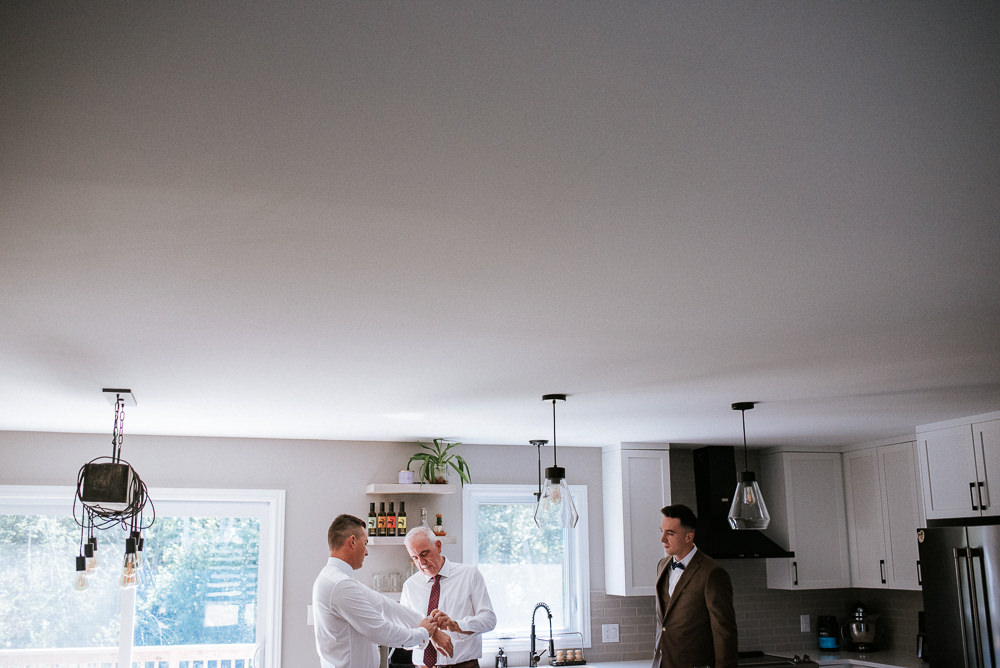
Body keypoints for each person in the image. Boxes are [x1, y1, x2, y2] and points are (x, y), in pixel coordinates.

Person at [312, 514, 454, 668]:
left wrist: (430, 628)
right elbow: (381, 631)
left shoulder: (336, 579)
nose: (366, 552)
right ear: (352, 541)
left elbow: (385, 605)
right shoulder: (341, 585)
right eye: (365, 543)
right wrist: (424, 633)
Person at [652, 504, 737, 668]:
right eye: (662, 531)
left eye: (670, 533)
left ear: (689, 537)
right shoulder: (662, 565)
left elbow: (724, 631)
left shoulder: (712, 573)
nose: (662, 539)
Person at [400, 525, 497, 668]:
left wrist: (456, 626)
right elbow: (403, 636)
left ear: (438, 546)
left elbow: (489, 620)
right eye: (415, 558)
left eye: (424, 554)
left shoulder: (470, 575)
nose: (421, 563)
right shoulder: (410, 586)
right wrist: (428, 633)